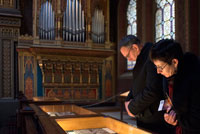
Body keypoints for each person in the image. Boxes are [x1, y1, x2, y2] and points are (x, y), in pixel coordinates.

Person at [119, 35, 172, 134]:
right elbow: (135, 85)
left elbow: (152, 90)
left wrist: (131, 108)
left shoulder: (151, 56)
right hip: (143, 114)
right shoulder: (141, 58)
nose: (129, 59)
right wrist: (128, 101)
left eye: (127, 56)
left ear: (135, 47)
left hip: (154, 118)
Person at [149, 39, 200, 134]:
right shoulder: (167, 78)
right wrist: (169, 119)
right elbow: (169, 105)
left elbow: (197, 119)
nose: (158, 72)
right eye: (156, 67)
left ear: (175, 62)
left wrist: (176, 119)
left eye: (160, 67)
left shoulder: (195, 78)